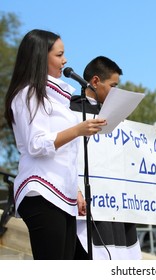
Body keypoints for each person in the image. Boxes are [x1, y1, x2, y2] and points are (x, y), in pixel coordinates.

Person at [3, 29, 107, 260]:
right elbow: (36, 145)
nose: (65, 60)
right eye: (60, 55)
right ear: (41, 57)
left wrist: (76, 189)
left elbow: (64, 153)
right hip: (41, 192)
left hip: (63, 193)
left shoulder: (59, 98)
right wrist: (77, 130)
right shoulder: (28, 93)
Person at [70, 56, 142, 260]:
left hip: (117, 202)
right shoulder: (70, 111)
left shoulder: (117, 117)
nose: (116, 92)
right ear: (95, 82)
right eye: (113, 85)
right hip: (87, 201)